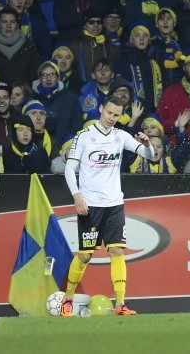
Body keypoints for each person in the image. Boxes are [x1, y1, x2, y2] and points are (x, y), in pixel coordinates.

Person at [60, 96, 154, 317]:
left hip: (114, 204)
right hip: (90, 205)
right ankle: (68, 298)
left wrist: (148, 144)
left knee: (116, 250)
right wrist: (77, 196)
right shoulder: (83, 137)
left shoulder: (121, 136)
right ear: (101, 109)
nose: (112, 118)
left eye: (117, 114)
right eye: (109, 113)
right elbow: (69, 168)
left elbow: (149, 156)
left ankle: (120, 304)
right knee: (85, 256)